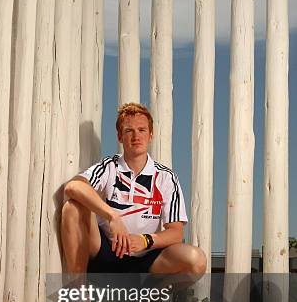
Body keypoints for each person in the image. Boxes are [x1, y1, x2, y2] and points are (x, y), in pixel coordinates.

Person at [61, 103, 206, 278]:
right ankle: (79, 295)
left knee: (196, 260)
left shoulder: (166, 177)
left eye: (142, 130)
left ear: (151, 135)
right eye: (129, 130)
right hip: (105, 251)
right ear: (120, 136)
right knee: (72, 207)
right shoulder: (109, 166)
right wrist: (112, 216)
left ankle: (152, 297)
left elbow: (176, 232)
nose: (136, 136)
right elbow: (73, 186)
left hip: (147, 259)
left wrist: (145, 240)